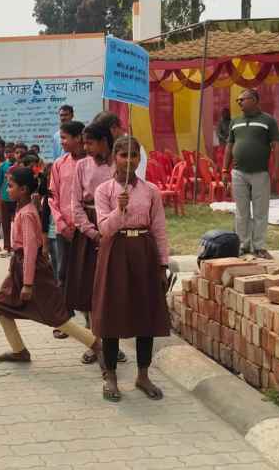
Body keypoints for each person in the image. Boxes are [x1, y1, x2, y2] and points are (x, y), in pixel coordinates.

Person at [0, 167, 102, 362]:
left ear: (23, 190)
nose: (7, 190)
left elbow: (30, 250)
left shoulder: (27, 213)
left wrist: (27, 284)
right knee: (1, 306)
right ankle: (19, 350)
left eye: (10, 186)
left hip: (33, 270)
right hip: (20, 266)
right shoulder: (23, 208)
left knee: (56, 317)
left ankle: (96, 344)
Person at [93, 136, 170, 402]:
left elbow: (159, 228)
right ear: (115, 157)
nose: (129, 160)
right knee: (112, 315)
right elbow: (104, 229)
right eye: (123, 155)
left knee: (145, 315)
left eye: (133, 155)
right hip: (115, 253)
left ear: (139, 159)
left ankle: (143, 375)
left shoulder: (151, 191)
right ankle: (111, 376)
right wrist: (119, 209)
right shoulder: (104, 191)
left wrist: (163, 264)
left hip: (144, 253)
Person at [68, 121, 124, 366]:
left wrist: (112, 229)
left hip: (116, 228)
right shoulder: (82, 166)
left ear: (104, 141)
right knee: (88, 288)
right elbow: (76, 204)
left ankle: (113, 344)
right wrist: (92, 232)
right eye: (84, 143)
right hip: (89, 232)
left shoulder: (119, 165)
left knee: (112, 289)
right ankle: (94, 342)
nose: (86, 147)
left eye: (90, 143)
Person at [221, 88, 279, 259]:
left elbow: (277, 146)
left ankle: (259, 246)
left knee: (260, 211)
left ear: (254, 100)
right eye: (238, 100)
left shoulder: (268, 121)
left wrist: (276, 171)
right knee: (241, 211)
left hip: (260, 173)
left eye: (242, 99)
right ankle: (242, 245)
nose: (239, 102)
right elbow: (229, 147)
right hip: (238, 173)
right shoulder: (235, 122)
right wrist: (224, 170)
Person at [48, 120, 86, 338]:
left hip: (87, 228)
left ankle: (91, 322)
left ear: (78, 138)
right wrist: (61, 223)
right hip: (64, 228)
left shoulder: (91, 163)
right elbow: (53, 197)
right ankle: (64, 320)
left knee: (86, 273)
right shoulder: (59, 164)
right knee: (63, 273)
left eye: (64, 137)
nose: (61, 142)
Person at [0, 144, 16, 256]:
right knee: (5, 224)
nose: (9, 154)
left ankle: (16, 246)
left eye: (11, 152)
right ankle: (7, 248)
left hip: (17, 199)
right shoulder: (2, 166)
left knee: (16, 224)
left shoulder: (18, 165)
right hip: (5, 198)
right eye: (7, 152)